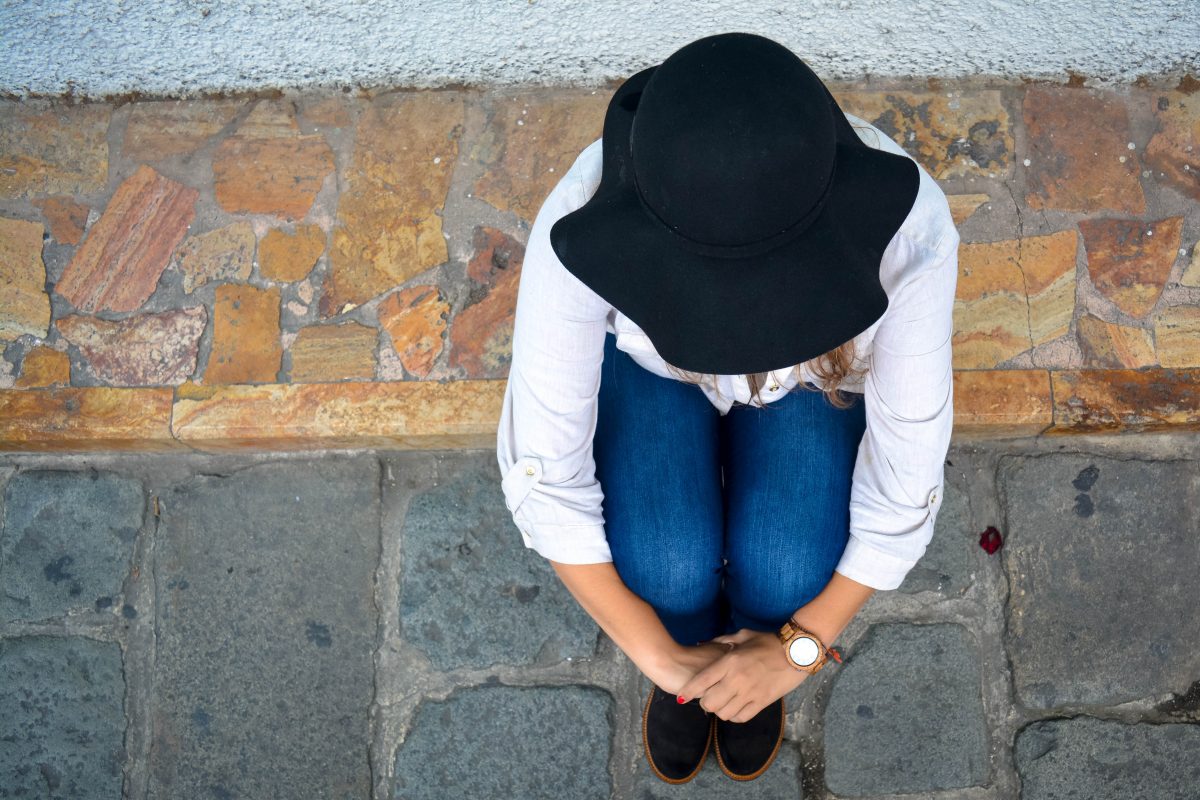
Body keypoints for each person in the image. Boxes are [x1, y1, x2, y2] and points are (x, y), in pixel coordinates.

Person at [496, 31, 958, 784]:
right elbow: (545, 470)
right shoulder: (582, 215)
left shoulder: (908, 227)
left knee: (791, 567)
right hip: (656, 373)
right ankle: (699, 656)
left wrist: (795, 651)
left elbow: (909, 464)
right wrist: (663, 658)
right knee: (662, 563)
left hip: (814, 377)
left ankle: (750, 649)